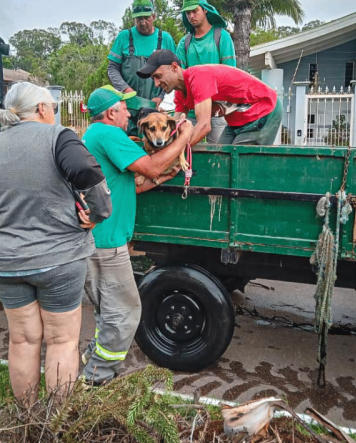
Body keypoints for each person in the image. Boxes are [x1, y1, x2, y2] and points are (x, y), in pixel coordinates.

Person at [0, 82, 112, 404]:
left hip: (8, 263)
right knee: (62, 340)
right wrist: (99, 212)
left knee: (21, 341)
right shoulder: (59, 137)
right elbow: (85, 170)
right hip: (60, 260)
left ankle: (27, 421)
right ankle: (56, 426)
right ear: (41, 109)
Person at [79, 86, 193, 386]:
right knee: (126, 312)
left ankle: (89, 362)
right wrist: (184, 136)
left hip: (100, 239)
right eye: (124, 109)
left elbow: (129, 186)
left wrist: (162, 178)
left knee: (108, 312)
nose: (130, 114)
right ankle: (96, 380)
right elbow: (152, 165)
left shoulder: (92, 136)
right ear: (111, 112)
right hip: (106, 242)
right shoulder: (110, 135)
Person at [137, 49, 282, 146]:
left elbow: (204, 126)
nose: (156, 84)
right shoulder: (180, 93)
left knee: (240, 169)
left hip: (263, 109)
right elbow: (174, 128)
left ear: (174, 67)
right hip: (237, 121)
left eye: (158, 76)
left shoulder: (198, 77)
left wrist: (173, 153)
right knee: (219, 160)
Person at [107, 0, 178, 132]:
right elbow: (112, 68)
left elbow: (174, 73)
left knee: (155, 143)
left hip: (156, 107)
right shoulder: (124, 37)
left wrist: (161, 97)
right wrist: (125, 89)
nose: (143, 22)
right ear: (134, 19)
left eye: (146, 18)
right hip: (128, 107)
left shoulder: (165, 39)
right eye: (139, 19)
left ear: (154, 16)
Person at [176, 0, 236, 143]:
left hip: (217, 111)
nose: (191, 16)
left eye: (195, 11)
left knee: (218, 155)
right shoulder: (184, 43)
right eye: (188, 13)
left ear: (205, 9)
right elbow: (179, 80)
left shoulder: (222, 37)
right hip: (191, 112)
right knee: (184, 153)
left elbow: (230, 76)